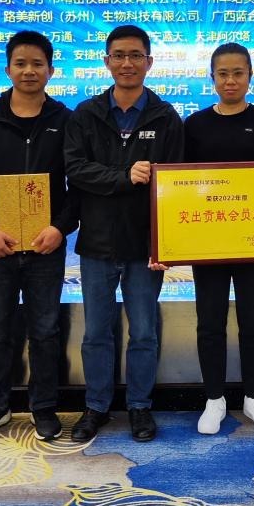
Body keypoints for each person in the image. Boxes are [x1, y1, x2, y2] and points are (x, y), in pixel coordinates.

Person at [63, 24, 184, 443]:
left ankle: (139, 406)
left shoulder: (166, 118)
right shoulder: (86, 114)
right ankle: (96, 407)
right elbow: (75, 169)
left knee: (144, 332)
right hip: (97, 242)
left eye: (135, 55)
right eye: (119, 55)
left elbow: (176, 185)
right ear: (106, 61)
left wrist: (165, 245)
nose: (127, 63)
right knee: (97, 332)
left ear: (149, 62)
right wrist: (122, 176)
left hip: (144, 246)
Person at [0, 30, 78, 444]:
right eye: (21, 63)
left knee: (45, 330)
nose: (29, 71)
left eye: (37, 64)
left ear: (51, 70)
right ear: (8, 69)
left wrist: (60, 227)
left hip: (45, 247)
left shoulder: (65, 121)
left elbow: (77, 184)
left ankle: (44, 407)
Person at [184, 43, 254, 435]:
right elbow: (179, 185)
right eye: (223, 74)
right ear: (212, 78)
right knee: (209, 322)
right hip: (208, 240)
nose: (230, 81)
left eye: (238, 73)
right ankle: (214, 399)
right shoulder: (194, 125)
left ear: (250, 76)